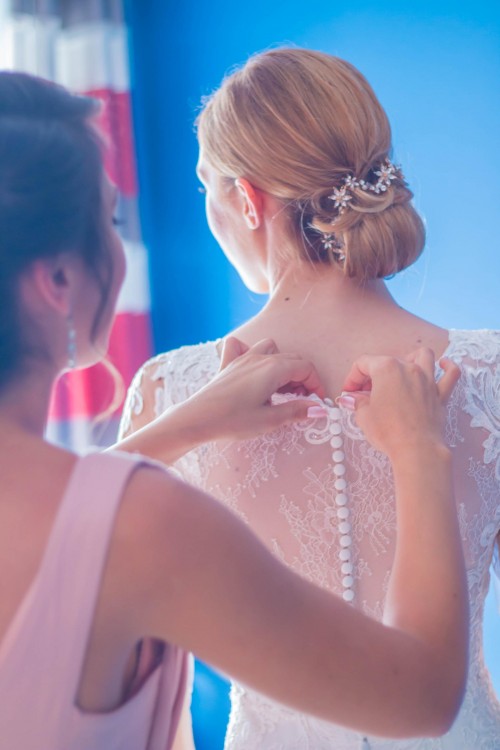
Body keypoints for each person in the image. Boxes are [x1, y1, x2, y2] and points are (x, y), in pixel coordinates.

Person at [0, 70, 465, 750]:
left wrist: (181, 424)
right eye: (111, 220)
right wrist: (421, 453)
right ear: (59, 278)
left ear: (247, 200)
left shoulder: (159, 409)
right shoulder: (146, 521)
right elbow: (420, 698)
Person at [121, 48, 500, 749]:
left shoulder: (168, 394)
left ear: (247, 200)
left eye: (206, 186)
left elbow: (139, 678)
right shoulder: (489, 376)